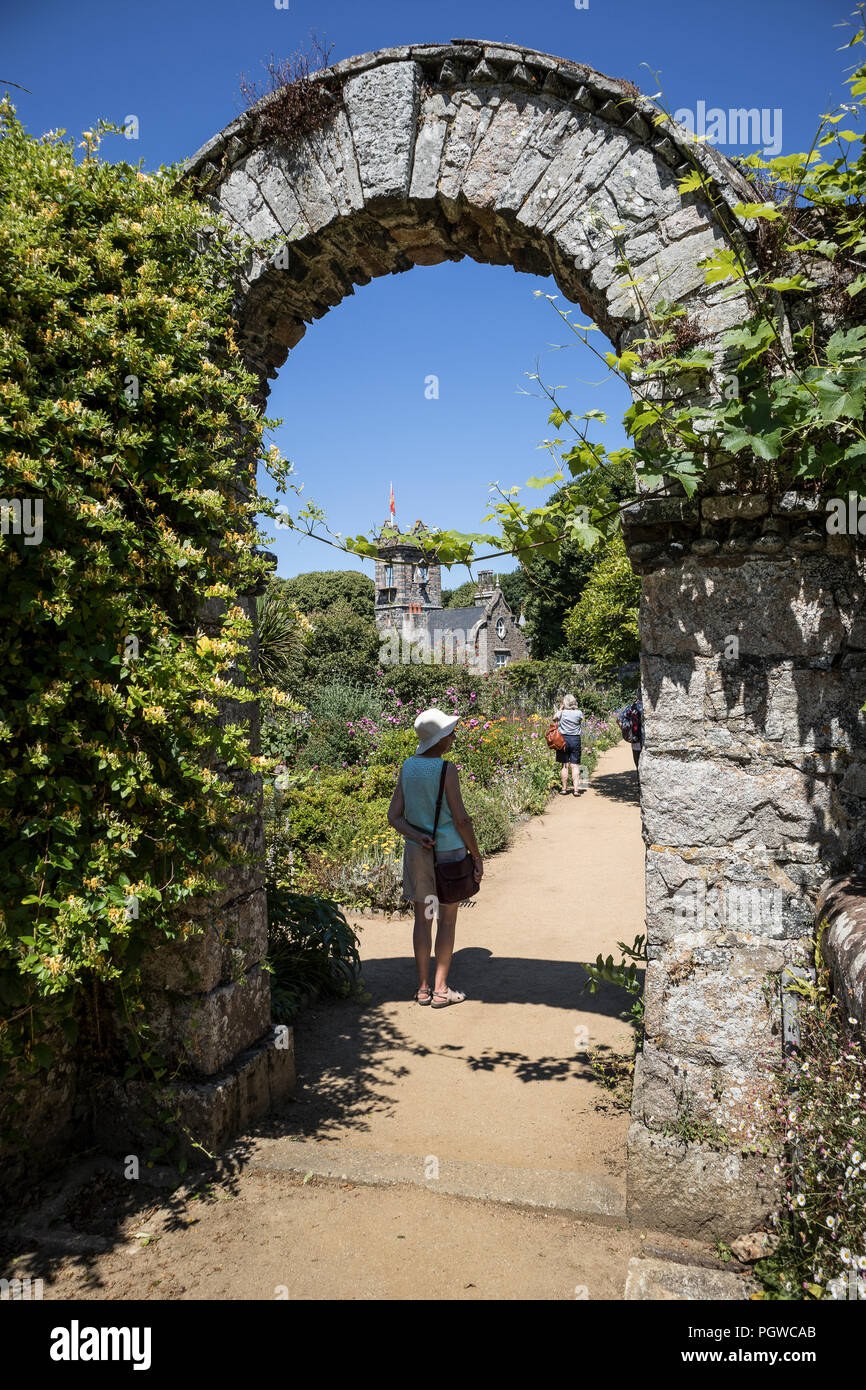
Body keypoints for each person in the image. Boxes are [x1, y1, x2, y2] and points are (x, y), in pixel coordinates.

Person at [387, 708, 483, 1008]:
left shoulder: (408, 767)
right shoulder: (446, 770)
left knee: (423, 920)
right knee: (448, 922)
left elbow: (394, 817)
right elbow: (461, 820)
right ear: (440, 740)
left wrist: (418, 837)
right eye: (449, 733)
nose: (453, 737)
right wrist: (477, 856)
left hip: (418, 854)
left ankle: (423, 988)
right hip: (449, 856)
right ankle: (442, 990)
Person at [552, 693, 585, 795]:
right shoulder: (579, 713)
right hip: (575, 739)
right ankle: (576, 790)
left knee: (565, 765)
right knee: (575, 766)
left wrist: (561, 709)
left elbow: (554, 718)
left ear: (565, 703)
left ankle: (564, 789)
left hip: (563, 740)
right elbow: (580, 720)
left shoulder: (562, 713)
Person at [620, 694, 645, 771]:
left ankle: (639, 780)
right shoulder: (648, 706)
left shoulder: (631, 707)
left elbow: (619, 720)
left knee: (638, 763)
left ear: (636, 697)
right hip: (647, 741)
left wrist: (626, 731)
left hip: (635, 739)